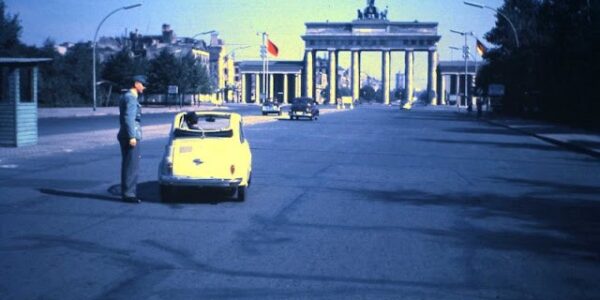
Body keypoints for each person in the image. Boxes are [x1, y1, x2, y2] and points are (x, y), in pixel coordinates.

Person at [117, 75, 147, 203]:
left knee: (128, 164)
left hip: (126, 133)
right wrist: (132, 136)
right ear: (136, 84)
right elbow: (128, 118)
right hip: (131, 135)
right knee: (131, 166)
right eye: (143, 84)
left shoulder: (127, 96)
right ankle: (129, 194)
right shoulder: (131, 98)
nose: (144, 87)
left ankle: (128, 192)